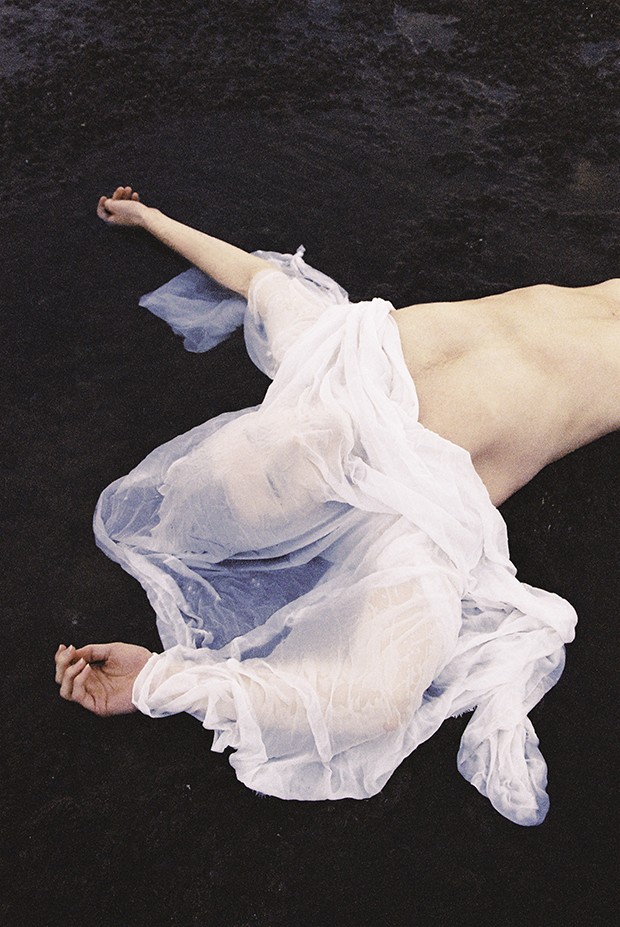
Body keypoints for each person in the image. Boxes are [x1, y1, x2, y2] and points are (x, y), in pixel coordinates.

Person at [55, 186, 619, 825]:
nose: (293, 442)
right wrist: (162, 682)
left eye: (258, 441)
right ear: (306, 523)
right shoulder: (409, 518)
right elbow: (378, 700)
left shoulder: (323, 355)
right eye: (278, 482)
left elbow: (251, 274)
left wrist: (148, 217)